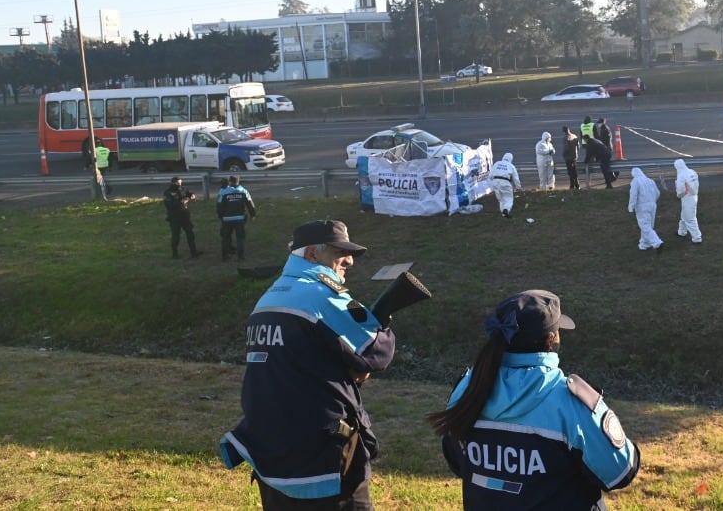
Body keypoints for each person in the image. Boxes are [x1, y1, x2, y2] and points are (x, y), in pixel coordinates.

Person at [220, 219, 396, 509]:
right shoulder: (321, 296)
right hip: (320, 459)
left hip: (271, 454)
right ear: (313, 254)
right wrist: (382, 322)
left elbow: (295, 361)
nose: (349, 261)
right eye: (340, 252)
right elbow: (376, 352)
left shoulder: (267, 298)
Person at [427, 289, 641, 509]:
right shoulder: (570, 403)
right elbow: (621, 472)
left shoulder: (467, 389)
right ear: (553, 338)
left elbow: (457, 460)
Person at [217, 174, 257, 262]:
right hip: (240, 218)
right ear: (238, 181)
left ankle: (225, 256)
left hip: (227, 219)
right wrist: (253, 215)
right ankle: (241, 257)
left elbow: (219, 205)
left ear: (230, 182)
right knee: (240, 238)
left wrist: (220, 216)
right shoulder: (243, 191)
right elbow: (250, 204)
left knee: (226, 237)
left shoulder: (223, 191)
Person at [163, 176, 201, 259]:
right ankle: (175, 254)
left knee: (190, 233)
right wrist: (180, 202)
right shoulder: (168, 192)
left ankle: (194, 252)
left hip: (185, 216)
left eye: (180, 183)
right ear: (173, 183)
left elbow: (188, 193)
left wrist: (192, 195)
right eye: (178, 183)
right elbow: (169, 205)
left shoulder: (182, 189)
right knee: (176, 235)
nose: (180, 185)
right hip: (174, 217)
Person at [627, 167, 663, 252]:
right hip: (653, 205)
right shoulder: (650, 180)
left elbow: (633, 194)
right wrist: (653, 201)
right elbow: (657, 193)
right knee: (649, 225)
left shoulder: (636, 181)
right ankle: (644, 244)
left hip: (642, 206)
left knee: (645, 226)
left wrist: (631, 206)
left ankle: (657, 242)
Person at [673, 158, 702, 243]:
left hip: (687, 197)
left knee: (690, 218)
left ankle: (697, 238)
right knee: (684, 215)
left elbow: (681, 189)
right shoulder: (692, 171)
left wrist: (679, 195)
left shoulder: (681, 175)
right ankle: (682, 232)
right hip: (694, 196)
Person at [490, 152, 522, 217]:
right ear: (511, 159)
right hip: (505, 182)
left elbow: (490, 175)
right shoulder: (511, 166)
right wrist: (518, 187)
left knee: (501, 199)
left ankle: (503, 214)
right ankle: (506, 210)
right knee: (509, 199)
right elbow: (516, 178)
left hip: (495, 182)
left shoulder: (497, 163)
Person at [560, 126, 581, 191]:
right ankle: (577, 185)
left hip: (568, 157)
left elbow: (566, 148)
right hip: (574, 157)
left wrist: (563, 155)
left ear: (564, 131)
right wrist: (576, 153)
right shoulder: (574, 136)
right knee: (574, 171)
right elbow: (578, 146)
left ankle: (572, 185)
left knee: (570, 172)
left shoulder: (565, 138)